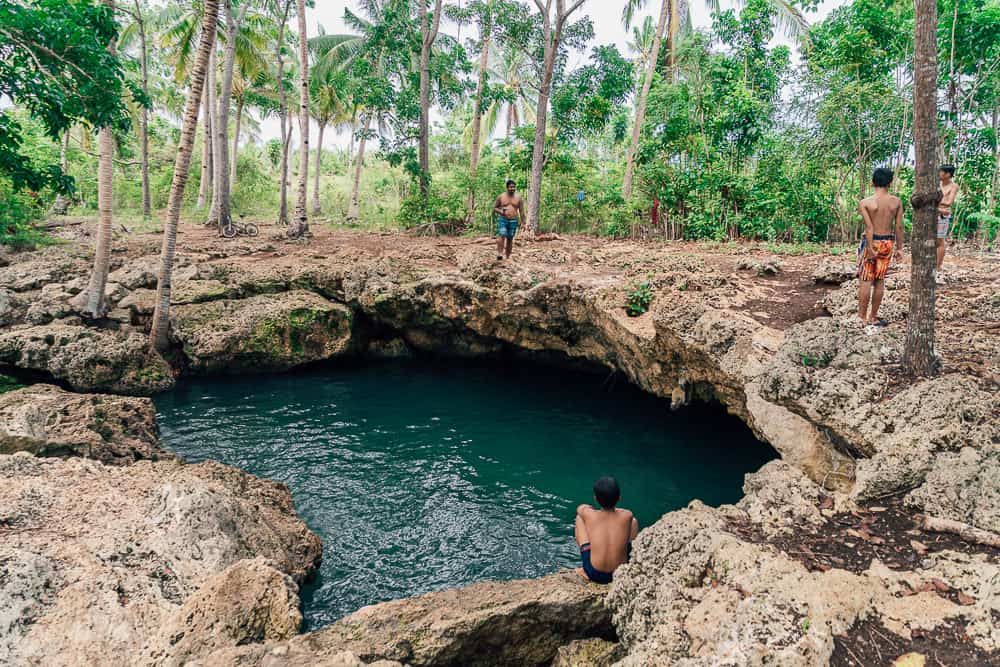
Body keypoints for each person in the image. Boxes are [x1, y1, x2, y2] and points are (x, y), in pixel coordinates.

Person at [857, 168, 904, 326]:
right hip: (887, 242)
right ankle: (873, 317)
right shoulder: (896, 202)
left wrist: (870, 247)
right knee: (879, 281)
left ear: (872, 182)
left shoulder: (865, 203)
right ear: (889, 183)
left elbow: (869, 228)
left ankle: (862, 318)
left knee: (865, 280)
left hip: (872, 242)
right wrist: (899, 248)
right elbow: (899, 227)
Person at [574, 476, 638, 584]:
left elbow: (580, 508)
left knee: (579, 518)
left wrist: (588, 508)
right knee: (634, 522)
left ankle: (584, 569)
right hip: (619, 572)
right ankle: (626, 555)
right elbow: (623, 513)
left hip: (594, 573)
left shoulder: (590, 515)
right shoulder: (627, 515)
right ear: (619, 498)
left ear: (595, 498)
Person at [493, 180, 526, 260]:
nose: (512, 189)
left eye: (514, 187)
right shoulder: (501, 197)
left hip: (513, 220)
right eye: (511, 187)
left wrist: (523, 223)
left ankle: (508, 257)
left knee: (510, 238)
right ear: (507, 187)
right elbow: (494, 208)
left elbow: (521, 211)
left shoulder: (518, 198)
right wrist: (501, 212)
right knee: (502, 234)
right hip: (503, 219)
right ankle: (500, 254)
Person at [937, 165, 958, 272]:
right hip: (934, 213)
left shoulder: (953, 186)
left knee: (940, 240)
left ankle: (938, 266)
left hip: (942, 214)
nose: (939, 174)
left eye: (941, 172)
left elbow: (949, 202)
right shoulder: (937, 184)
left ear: (948, 174)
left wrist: (933, 201)